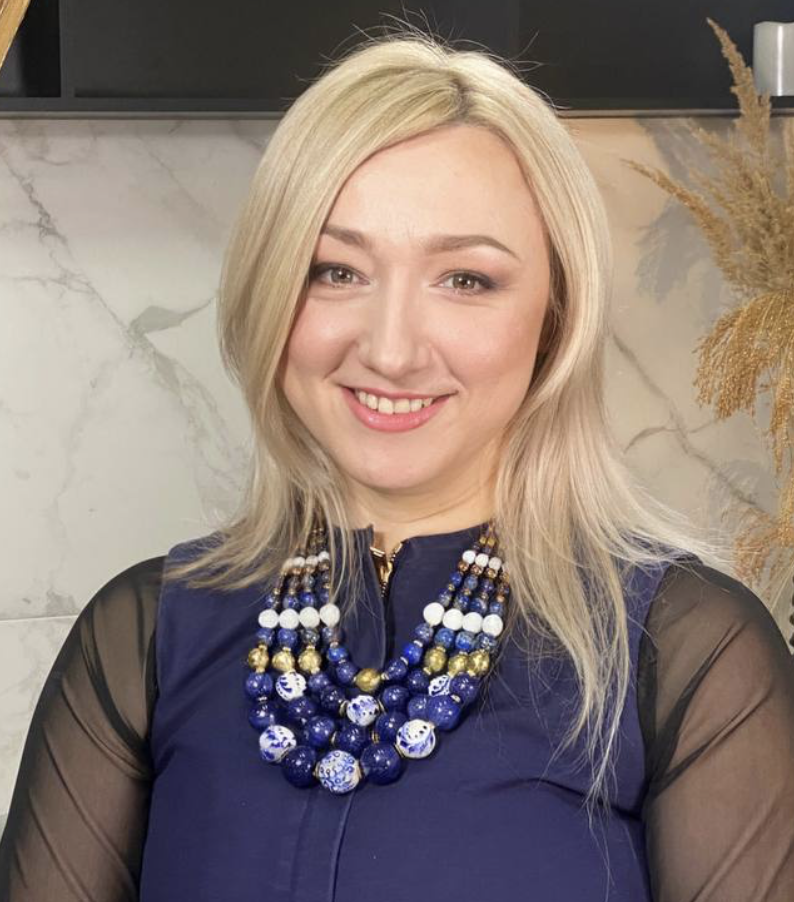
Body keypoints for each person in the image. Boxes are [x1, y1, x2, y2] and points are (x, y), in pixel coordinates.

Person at [1, 23, 793, 902]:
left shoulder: (683, 654)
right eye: (336, 270)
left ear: (555, 318)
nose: (390, 349)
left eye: (466, 280)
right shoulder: (143, 639)